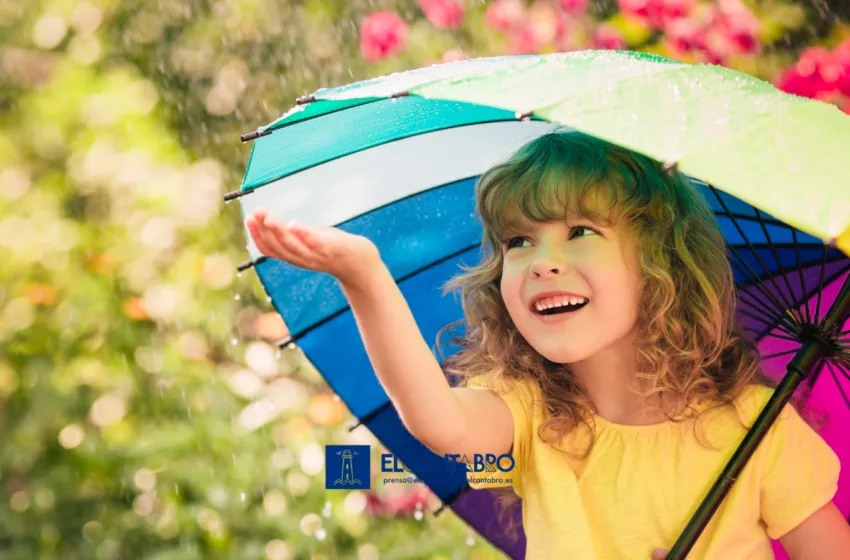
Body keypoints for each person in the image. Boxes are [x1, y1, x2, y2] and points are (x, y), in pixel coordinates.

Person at [244, 129, 850, 559]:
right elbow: (440, 422)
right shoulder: (532, 412)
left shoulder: (755, 430)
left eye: (580, 231)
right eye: (519, 242)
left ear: (659, 266)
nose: (541, 262)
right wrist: (365, 276)